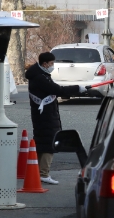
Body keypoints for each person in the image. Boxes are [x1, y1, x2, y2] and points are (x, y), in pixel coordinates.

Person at [25, 52, 86, 184]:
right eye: (52, 64)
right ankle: (44, 173)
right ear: (45, 64)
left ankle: (37, 171)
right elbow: (57, 90)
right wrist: (77, 88)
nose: (53, 66)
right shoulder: (40, 77)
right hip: (45, 115)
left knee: (41, 142)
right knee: (49, 142)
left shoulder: (38, 74)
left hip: (43, 114)